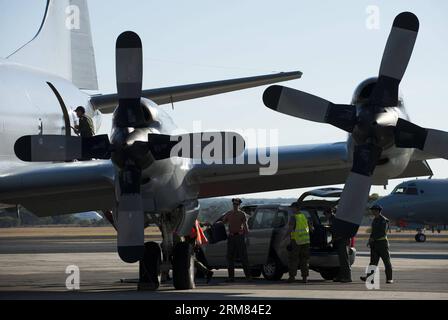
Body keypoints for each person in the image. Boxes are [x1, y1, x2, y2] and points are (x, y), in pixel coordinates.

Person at [360, 204, 394, 284]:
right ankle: (369, 278)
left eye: (374, 210)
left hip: (382, 244)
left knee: (386, 262)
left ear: (378, 211)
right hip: (374, 244)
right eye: (372, 210)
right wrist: (370, 240)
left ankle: (389, 278)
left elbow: (382, 232)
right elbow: (373, 231)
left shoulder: (383, 220)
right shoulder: (375, 219)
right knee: (373, 262)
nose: (372, 211)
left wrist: (373, 238)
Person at [222, 198, 252, 282]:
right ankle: (231, 277)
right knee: (230, 257)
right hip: (231, 237)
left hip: (240, 237)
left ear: (239, 205)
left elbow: (245, 226)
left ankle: (248, 276)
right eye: (234, 204)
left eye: (237, 204)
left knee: (243, 256)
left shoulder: (242, 214)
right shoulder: (229, 213)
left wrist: (247, 238)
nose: (235, 206)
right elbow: (222, 222)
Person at [285, 202, 312, 283]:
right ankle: (305, 278)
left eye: (292, 208)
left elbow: (290, 229)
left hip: (296, 241)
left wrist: (284, 237)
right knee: (304, 260)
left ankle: (292, 277)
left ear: (296, 208)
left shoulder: (293, 217)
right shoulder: (304, 216)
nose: (291, 209)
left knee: (293, 259)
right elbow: (310, 228)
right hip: (306, 241)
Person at [325, 208, 352, 283]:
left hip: (343, 241)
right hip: (340, 241)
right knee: (341, 261)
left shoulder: (335, 220)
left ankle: (347, 277)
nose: (325, 216)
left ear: (329, 213)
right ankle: (341, 276)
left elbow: (339, 233)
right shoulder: (333, 219)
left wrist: (331, 241)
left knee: (344, 260)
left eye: (326, 214)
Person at [186, 219, 214, 283]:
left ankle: (207, 272)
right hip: (191, 240)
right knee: (191, 259)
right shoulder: (193, 219)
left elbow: (193, 232)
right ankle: (207, 272)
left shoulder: (189, 219)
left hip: (190, 240)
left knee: (191, 259)